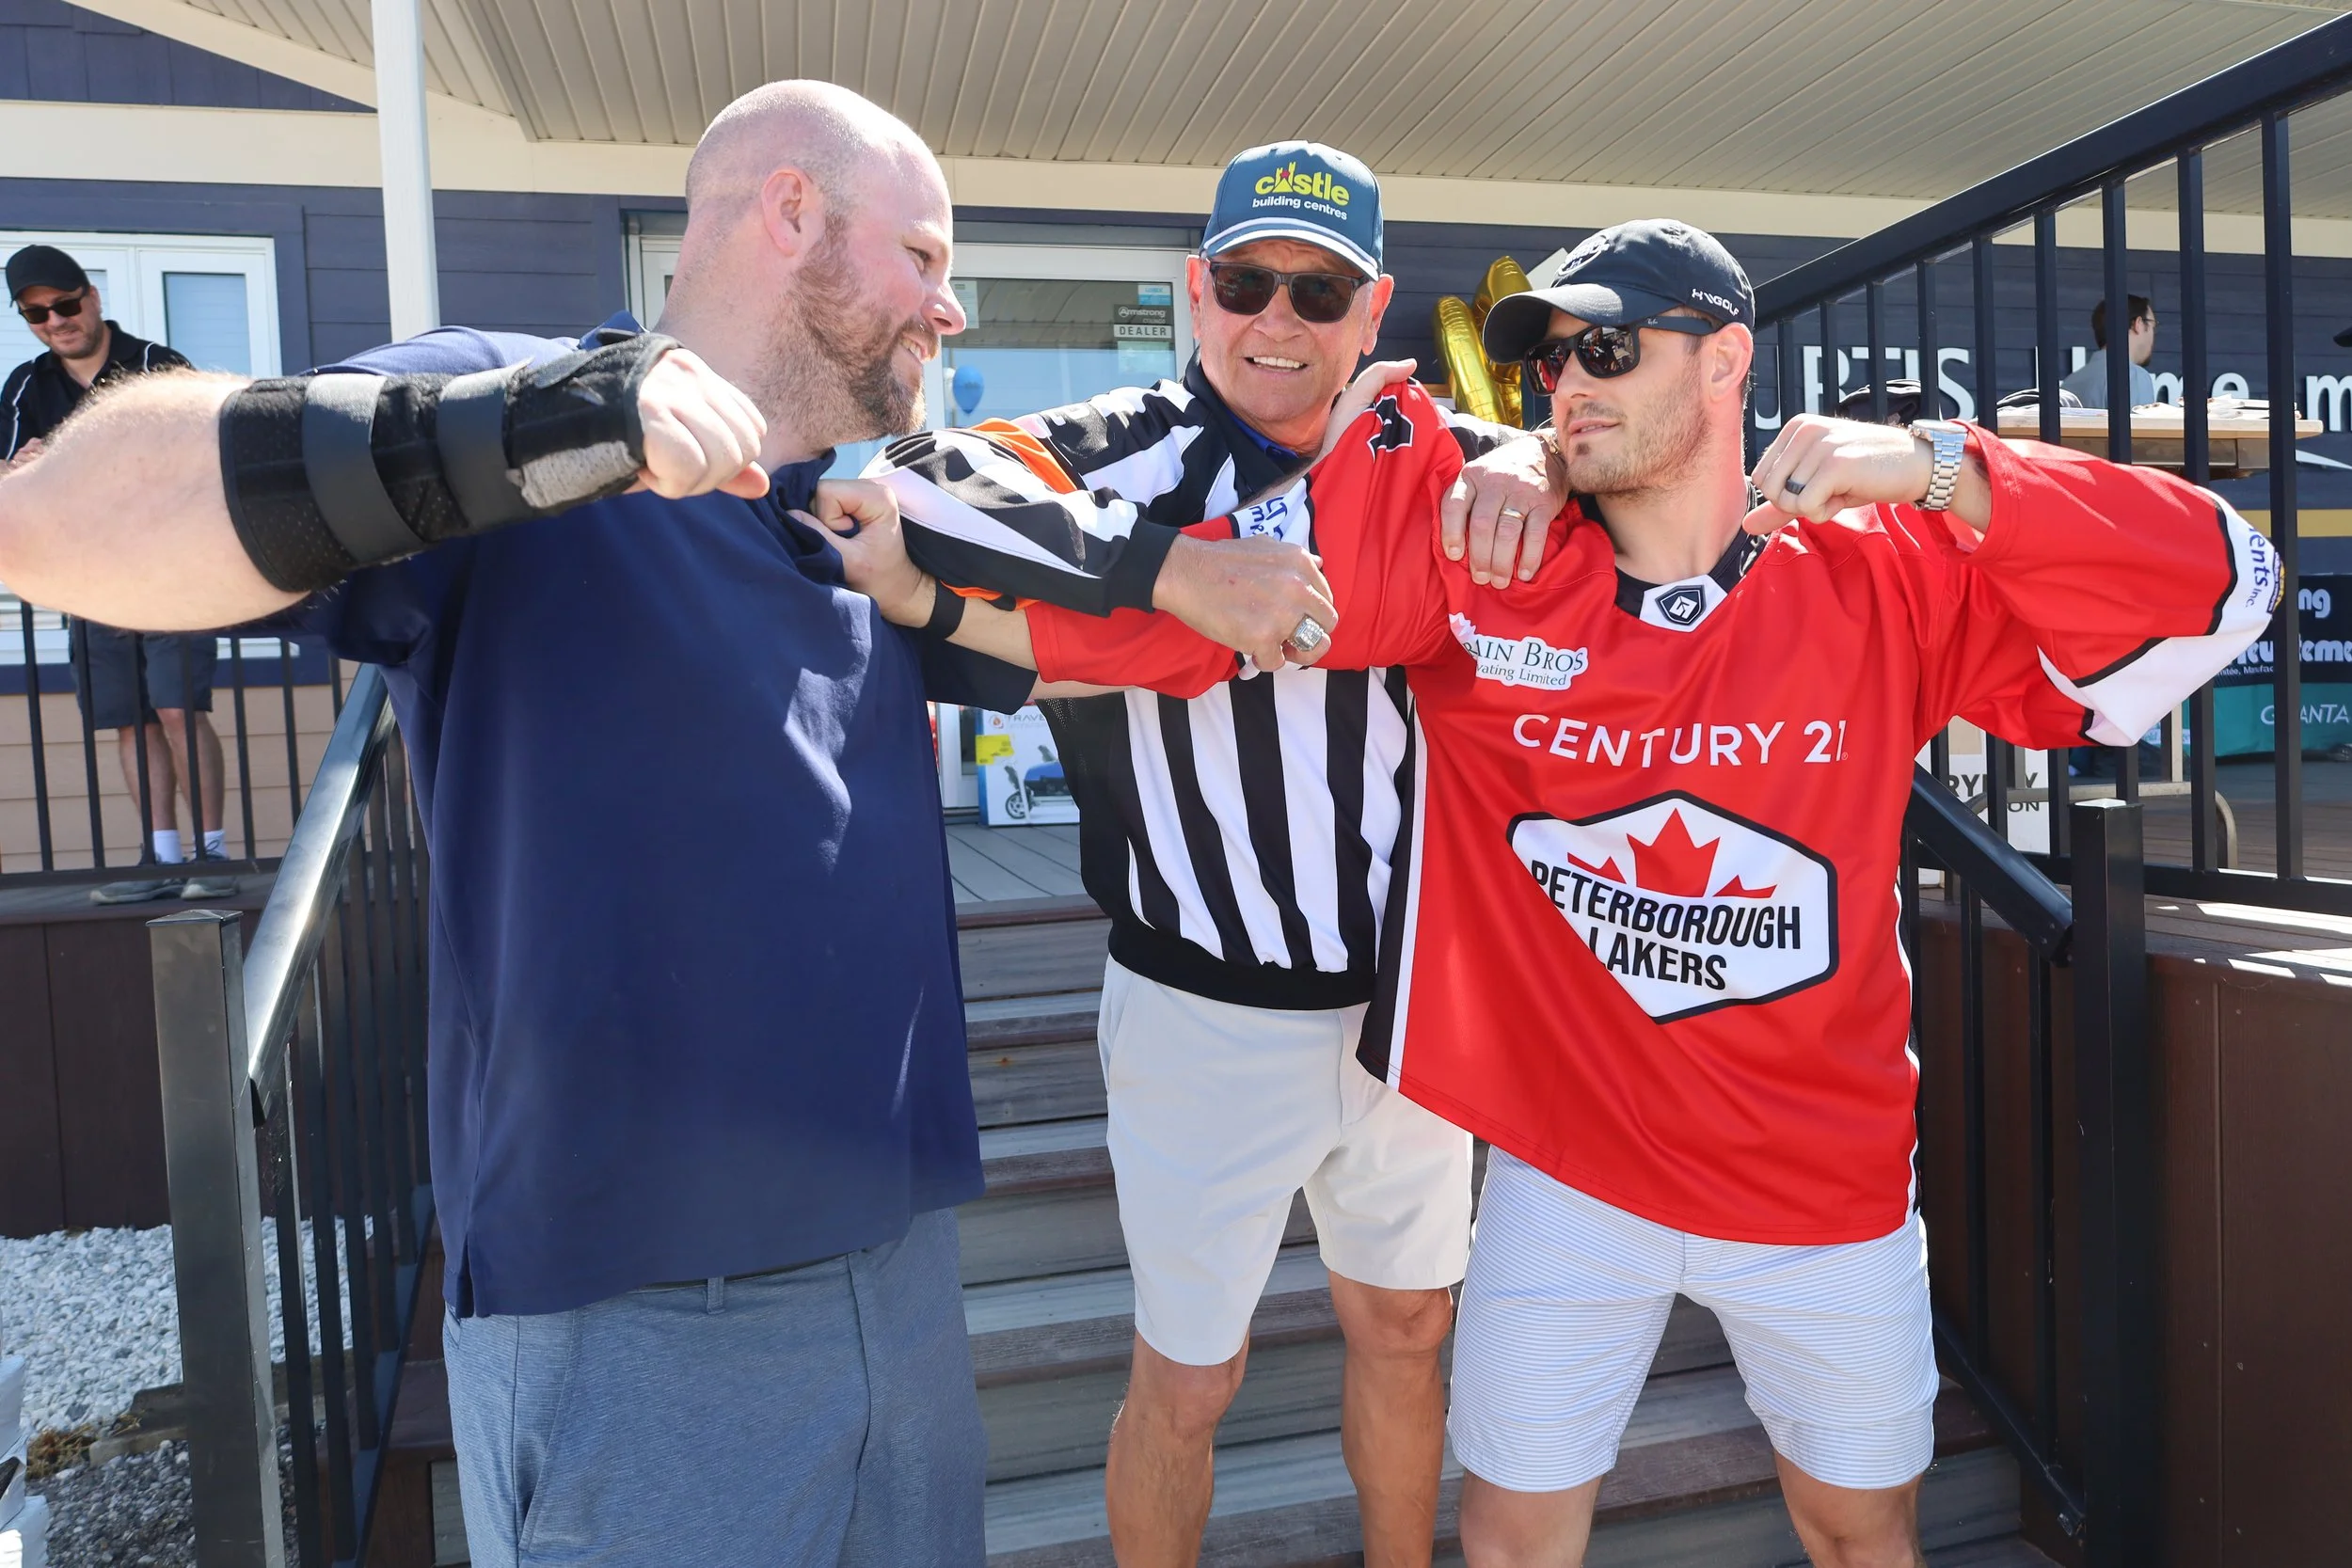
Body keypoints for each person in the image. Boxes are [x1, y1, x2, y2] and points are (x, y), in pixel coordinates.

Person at [0, 83, 1333, 1568]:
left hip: (899, 1283)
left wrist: (1209, 555)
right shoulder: (518, 405)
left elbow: (1124, 609)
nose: (950, 308)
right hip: (641, 1320)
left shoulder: (859, 517)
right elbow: (54, 519)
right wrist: (562, 421)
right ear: (790, 211)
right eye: (924, 256)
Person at [826, 217, 2277, 1568]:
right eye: (1548, 361)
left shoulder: (1879, 571)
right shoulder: (1487, 563)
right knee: (1511, 1538)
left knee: (1860, 1533)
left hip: (1820, 1180)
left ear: (1727, 358)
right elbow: (1215, 629)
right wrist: (938, 603)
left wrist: (1945, 464)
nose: (1569, 385)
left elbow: (2225, 585)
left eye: (1609, 349)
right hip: (1568, 1170)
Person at [865, 142, 1557, 1568]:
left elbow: (1611, 481)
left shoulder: (1446, 459)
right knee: (1188, 1378)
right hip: (1201, 1003)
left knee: (1408, 1325)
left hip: (1412, 1006)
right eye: (1247, 283)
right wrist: (1173, 567)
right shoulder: (1130, 447)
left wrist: (1537, 454)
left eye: (1320, 292)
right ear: (1197, 291)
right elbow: (911, 482)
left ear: (1373, 312)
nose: (1277, 319)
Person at [2, 244, 234, 902]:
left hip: (173, 571)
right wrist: (21, 469)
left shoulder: (158, 366)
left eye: (65, 304)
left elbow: (210, 454)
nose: (56, 321)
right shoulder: (25, 386)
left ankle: (212, 856)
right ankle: (160, 861)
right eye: (37, 314)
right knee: (133, 719)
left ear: (93, 297)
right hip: (91, 580)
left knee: (177, 707)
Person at [2060, 292, 2157, 409]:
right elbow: (2137, 421)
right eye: (2153, 325)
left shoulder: (2070, 382)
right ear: (2138, 324)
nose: (2153, 334)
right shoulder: (2132, 375)